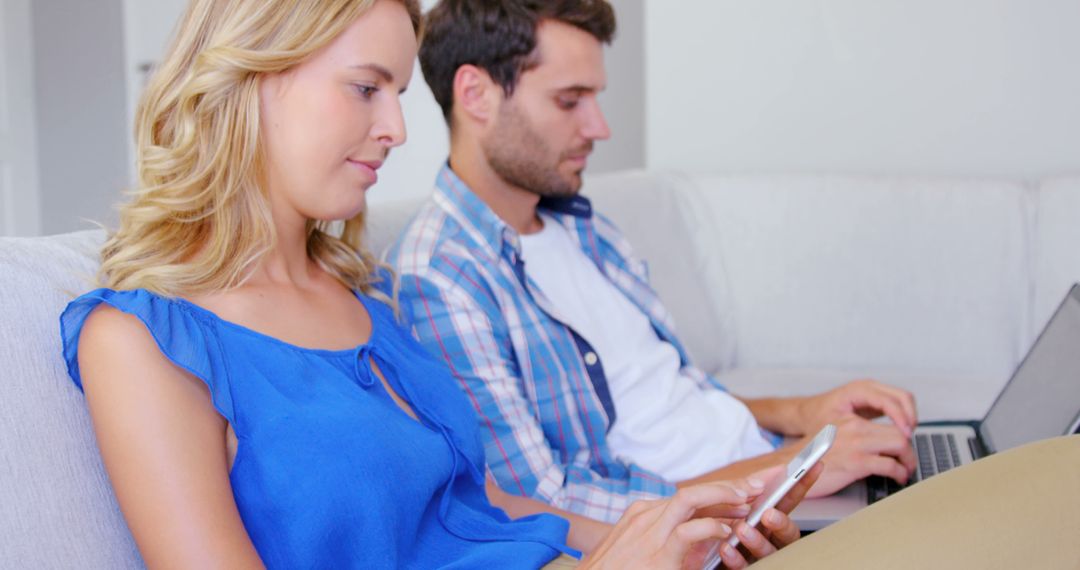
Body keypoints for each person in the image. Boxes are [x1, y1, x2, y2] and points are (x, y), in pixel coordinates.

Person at [59, 0, 814, 567]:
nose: (397, 127)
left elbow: (479, 501)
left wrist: (670, 532)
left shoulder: (359, 297)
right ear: (251, 80)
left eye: (396, 93)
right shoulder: (141, 339)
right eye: (365, 89)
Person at [388, 0, 919, 523]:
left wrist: (803, 416)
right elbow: (546, 504)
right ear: (476, 95)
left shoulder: (582, 227)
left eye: (594, 98)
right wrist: (793, 468)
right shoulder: (440, 278)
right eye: (570, 101)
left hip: (766, 469)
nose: (600, 127)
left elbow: (672, 395)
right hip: (719, 515)